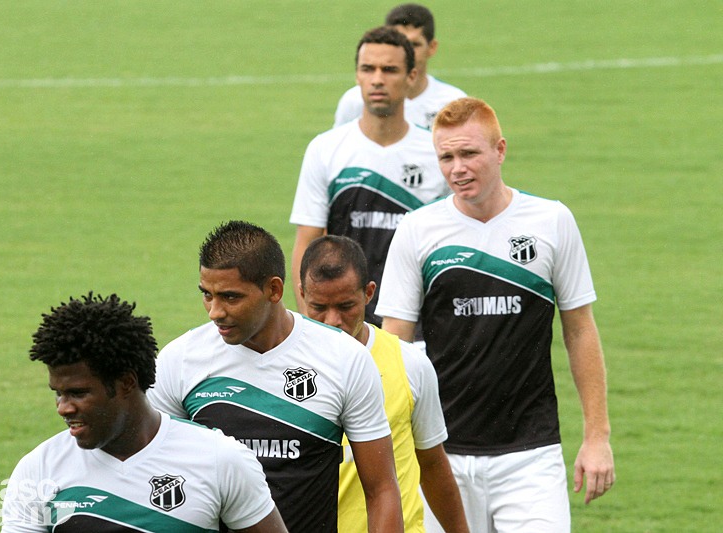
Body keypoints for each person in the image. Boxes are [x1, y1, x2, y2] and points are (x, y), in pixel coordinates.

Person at [376, 98, 615, 533]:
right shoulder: (417, 230)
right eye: (446, 157)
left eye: (469, 154)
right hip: (439, 456)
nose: (457, 168)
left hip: (530, 455)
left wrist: (597, 437)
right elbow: (393, 345)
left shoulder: (552, 222)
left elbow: (580, 331)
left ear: (500, 150)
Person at [148, 221, 403, 533]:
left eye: (230, 297)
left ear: (274, 289)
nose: (214, 311)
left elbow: (381, 490)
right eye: (207, 295)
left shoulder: (343, 359)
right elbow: (156, 481)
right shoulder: (180, 361)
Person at [2, 292, 288, 533]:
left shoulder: (219, 459)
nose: (63, 408)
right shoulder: (38, 470)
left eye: (78, 393)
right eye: (58, 393)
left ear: (126, 382)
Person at [299, 235, 470, 533]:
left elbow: (432, 465)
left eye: (345, 306)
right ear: (301, 294)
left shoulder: (410, 364)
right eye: (318, 307)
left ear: (368, 293)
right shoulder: (278, 366)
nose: (332, 320)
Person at [290, 26, 449, 327]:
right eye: (368, 69)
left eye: (389, 70)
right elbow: (306, 246)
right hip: (344, 325)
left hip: (418, 331)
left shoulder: (436, 154)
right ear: (357, 76)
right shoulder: (325, 150)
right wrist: (315, 327)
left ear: (411, 77)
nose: (377, 79)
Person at [333, 4, 467, 131]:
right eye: (400, 44)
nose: (407, 51)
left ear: (431, 47)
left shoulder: (453, 102)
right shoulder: (356, 100)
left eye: (415, 44)